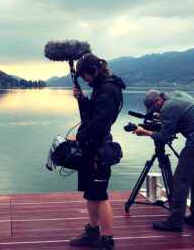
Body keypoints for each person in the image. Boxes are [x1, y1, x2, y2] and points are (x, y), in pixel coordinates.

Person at [134, 89, 194, 232]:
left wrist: (145, 132)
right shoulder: (177, 95)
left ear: (159, 100)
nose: (155, 112)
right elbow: (181, 121)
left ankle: (175, 222)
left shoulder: (167, 108)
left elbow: (163, 137)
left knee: (180, 181)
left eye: (155, 109)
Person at [67, 53, 126, 250]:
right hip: (90, 147)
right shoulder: (102, 87)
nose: (84, 79)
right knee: (91, 194)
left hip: (98, 148)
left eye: (85, 75)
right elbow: (91, 114)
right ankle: (93, 233)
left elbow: (101, 123)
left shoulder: (108, 89)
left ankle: (107, 241)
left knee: (100, 196)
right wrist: (83, 99)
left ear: (94, 70)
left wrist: (80, 138)